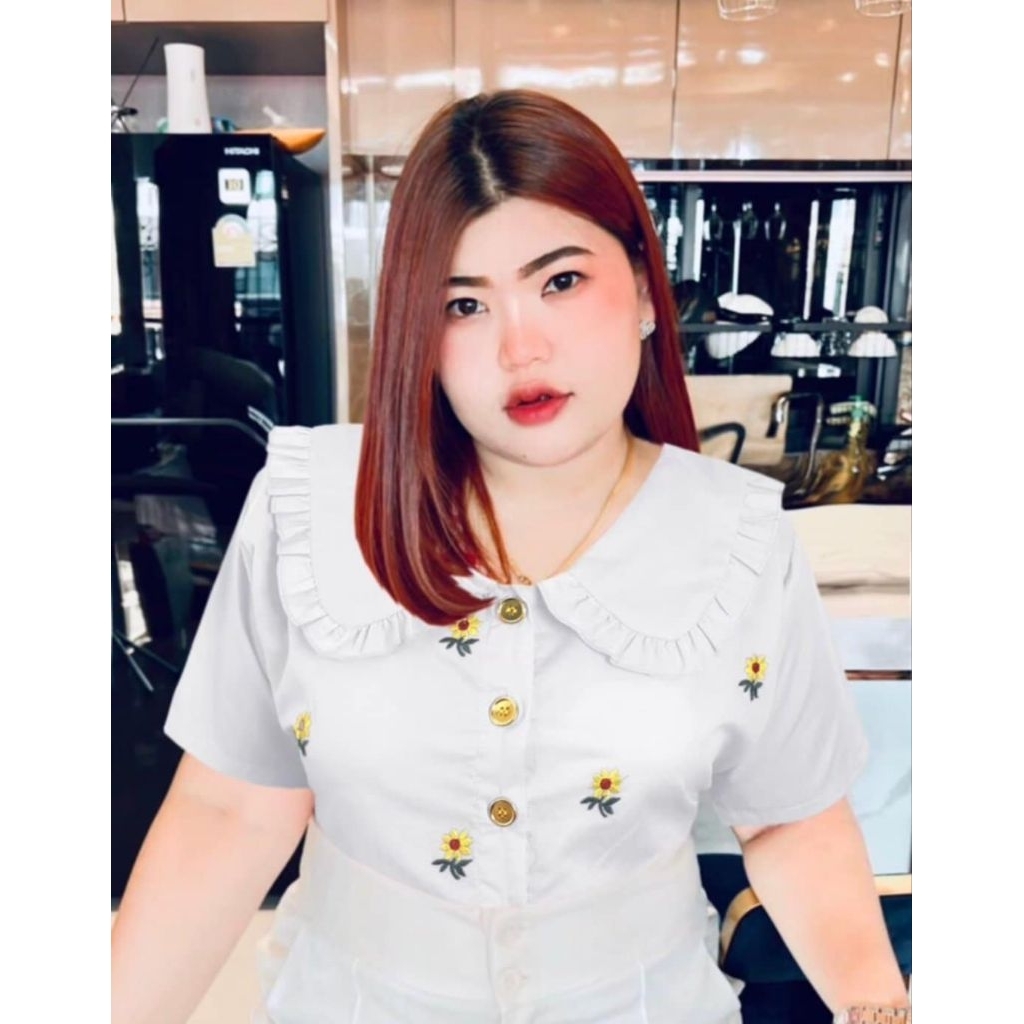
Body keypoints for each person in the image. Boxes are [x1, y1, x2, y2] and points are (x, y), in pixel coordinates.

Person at [111, 90, 910, 1024]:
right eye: (463, 304)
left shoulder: (739, 536)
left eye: (560, 281)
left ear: (644, 291)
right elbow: (233, 810)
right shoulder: (309, 510)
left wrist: (878, 1005)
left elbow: (788, 814)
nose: (520, 348)